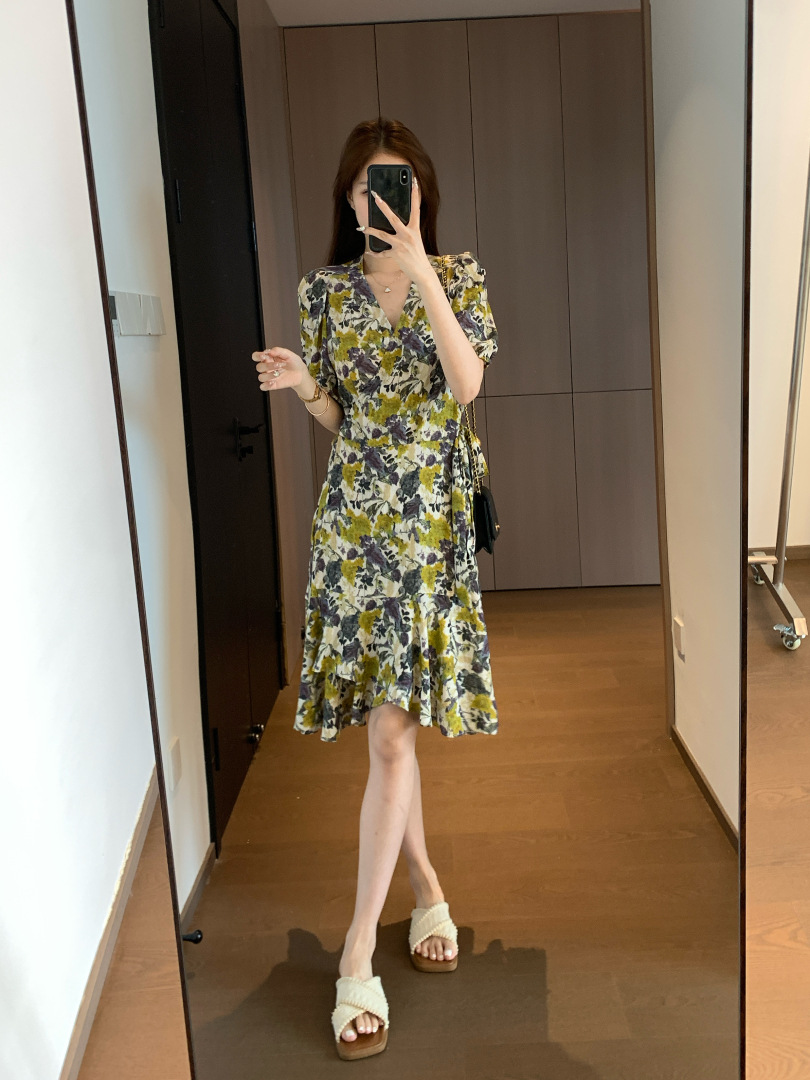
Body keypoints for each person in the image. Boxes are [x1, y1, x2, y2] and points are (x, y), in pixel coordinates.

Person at [252, 117, 499, 1060]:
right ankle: (426, 888)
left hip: (429, 527)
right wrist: (303, 383)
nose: (380, 200)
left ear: (420, 194)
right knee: (391, 731)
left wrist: (423, 269)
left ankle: (357, 951)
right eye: (365, 187)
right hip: (355, 529)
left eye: (396, 184)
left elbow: (466, 386)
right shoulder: (322, 292)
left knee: (395, 731)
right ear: (347, 200)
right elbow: (338, 416)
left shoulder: (461, 276)